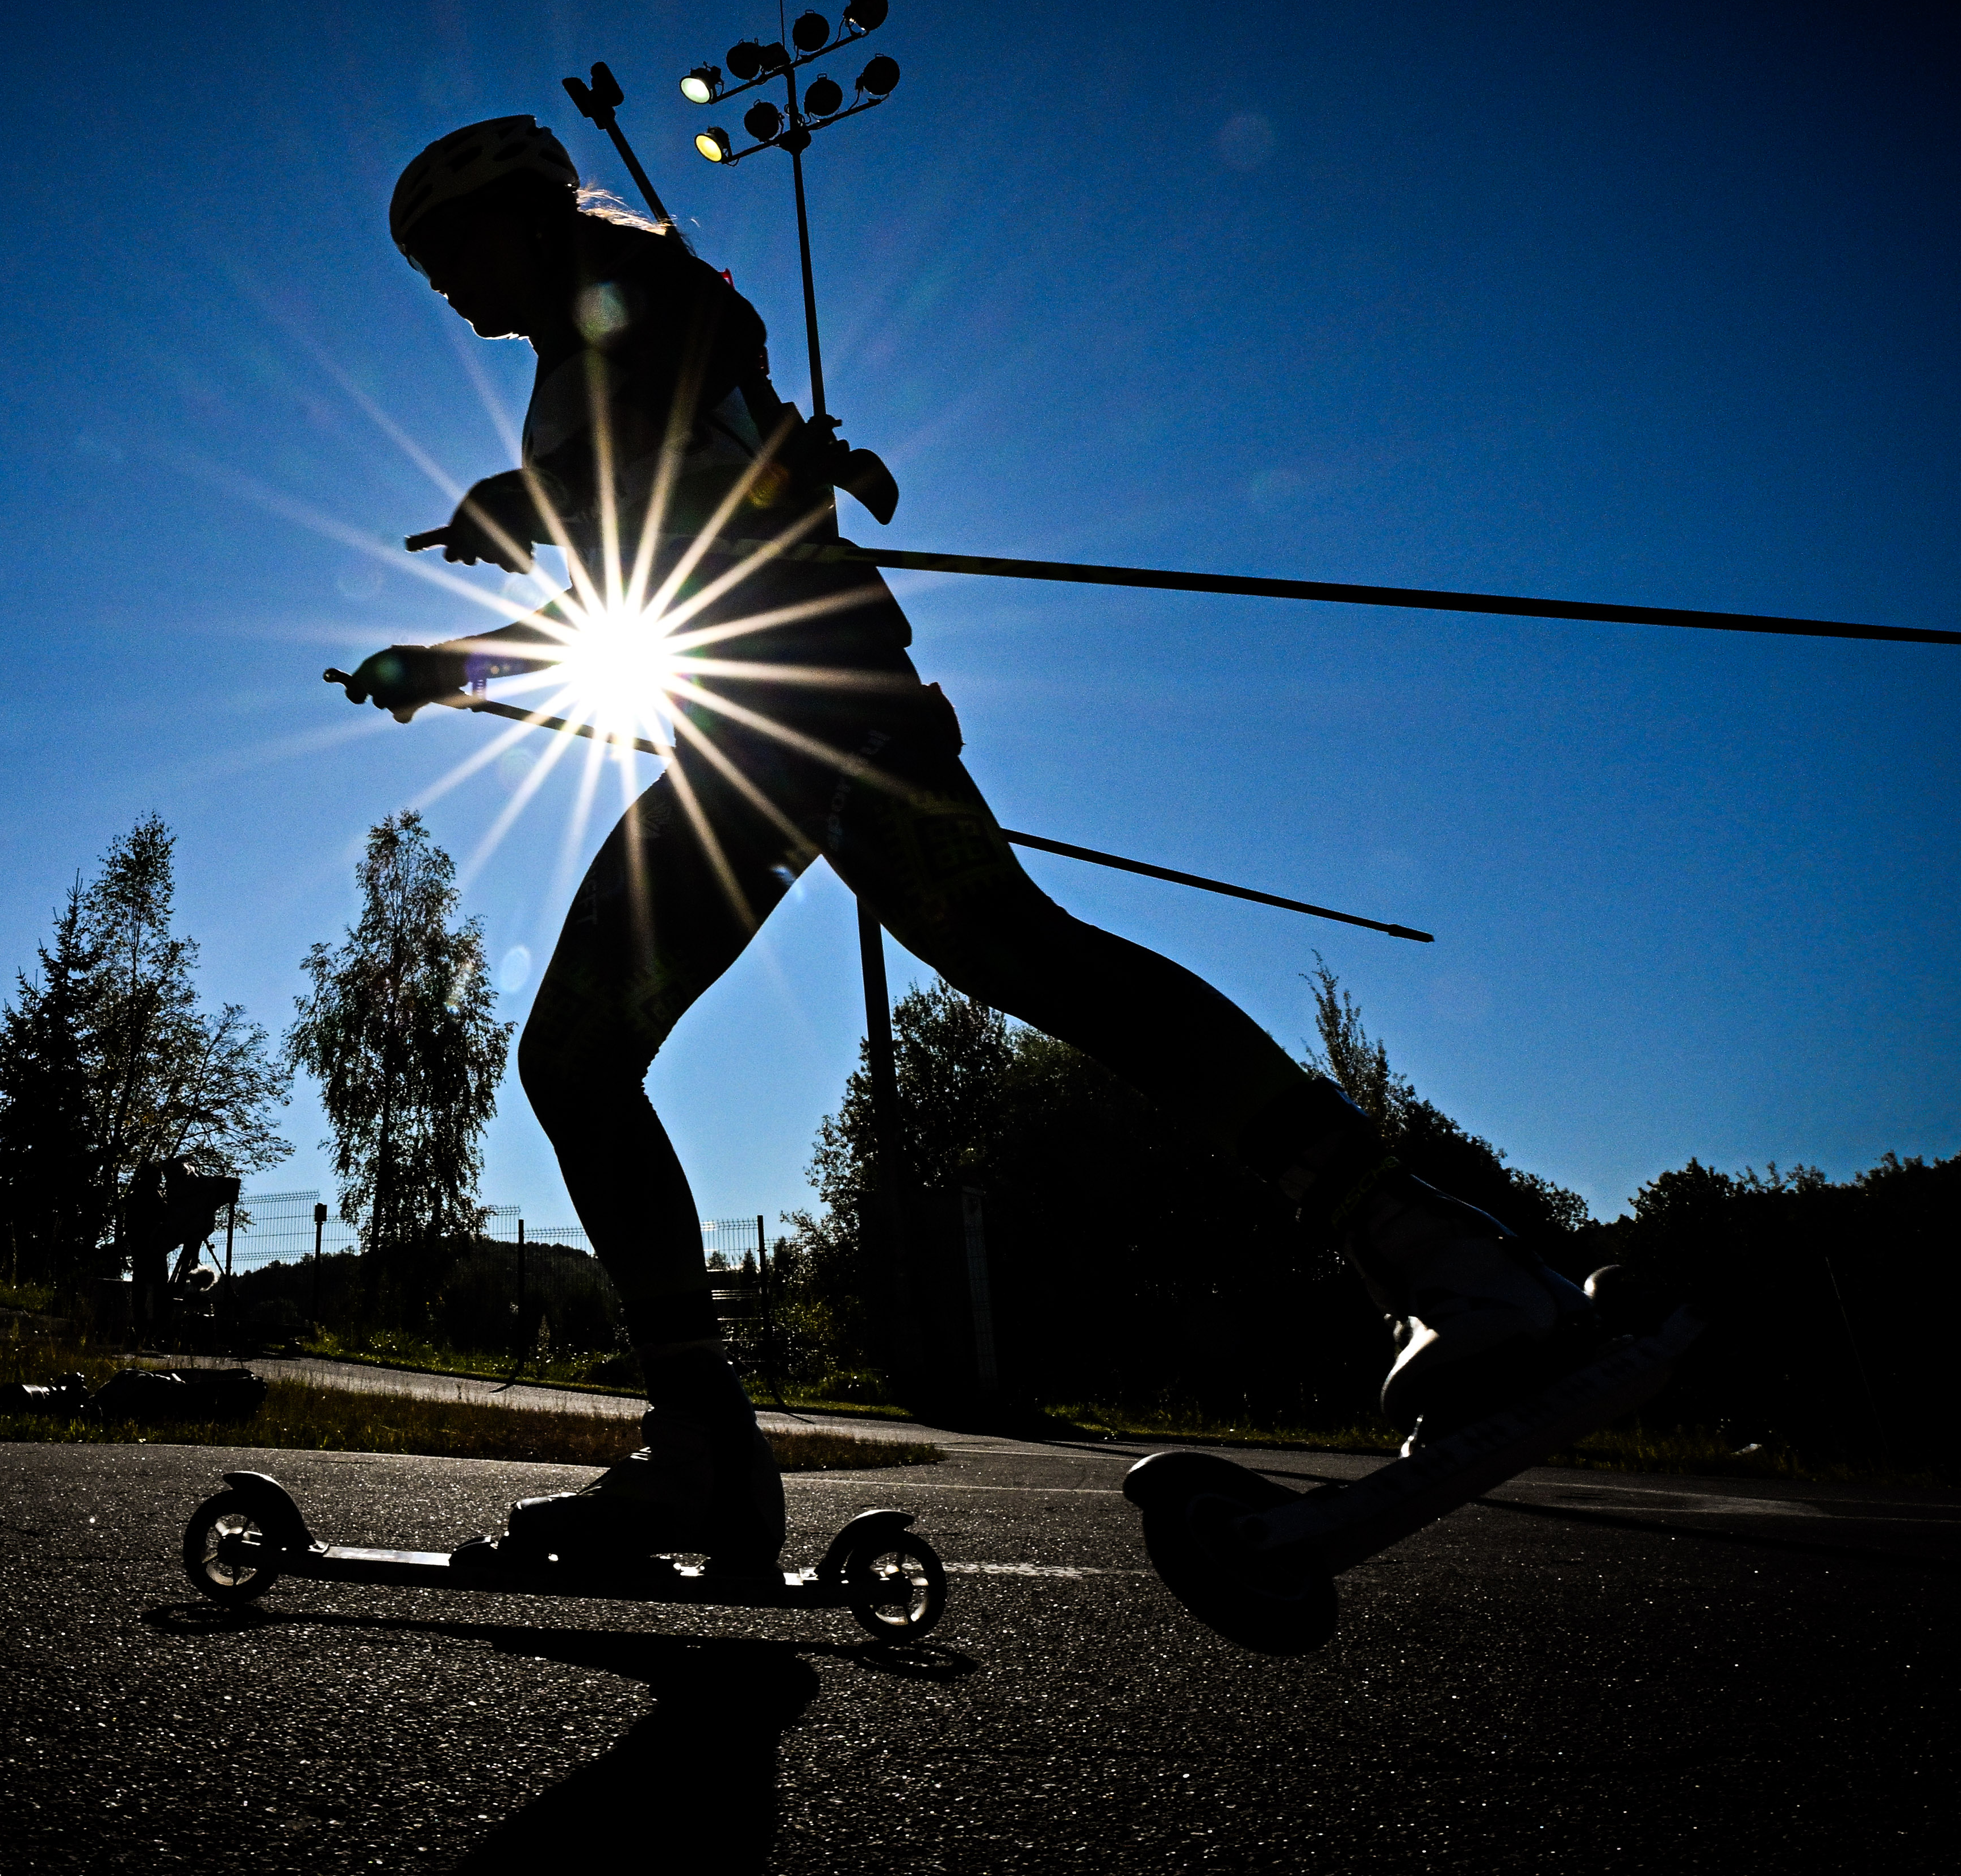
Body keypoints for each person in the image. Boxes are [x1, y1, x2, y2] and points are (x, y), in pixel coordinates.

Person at [335, 115, 1592, 1576]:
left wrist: (532, 532)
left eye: (452, 247)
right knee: (705, 1030)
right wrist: (461, 658)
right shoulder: (585, 357)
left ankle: (1450, 1259)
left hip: (809, 707)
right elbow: (660, 563)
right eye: (421, 266)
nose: (442, 284)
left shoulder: (638, 301)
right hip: (758, 728)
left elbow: (680, 442)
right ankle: (705, 1449)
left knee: (979, 968)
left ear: (536, 213)